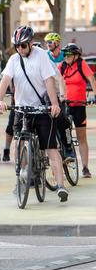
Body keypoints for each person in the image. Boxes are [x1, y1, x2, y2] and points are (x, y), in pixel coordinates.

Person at [0, 25, 69, 202]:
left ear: (30, 43)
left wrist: (53, 104)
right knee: (19, 143)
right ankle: (21, 176)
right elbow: (5, 80)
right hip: (22, 109)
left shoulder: (41, 56)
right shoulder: (14, 59)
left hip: (42, 109)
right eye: (17, 46)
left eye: (23, 46)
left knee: (51, 148)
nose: (20, 49)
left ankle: (60, 185)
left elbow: (49, 81)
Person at [59, 43, 95, 178]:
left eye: (68, 55)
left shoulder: (81, 64)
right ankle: (66, 154)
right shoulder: (62, 66)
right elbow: (54, 79)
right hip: (66, 105)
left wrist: (95, 96)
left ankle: (85, 167)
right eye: (65, 55)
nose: (66, 57)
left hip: (79, 105)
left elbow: (91, 78)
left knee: (81, 137)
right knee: (64, 132)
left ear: (75, 55)